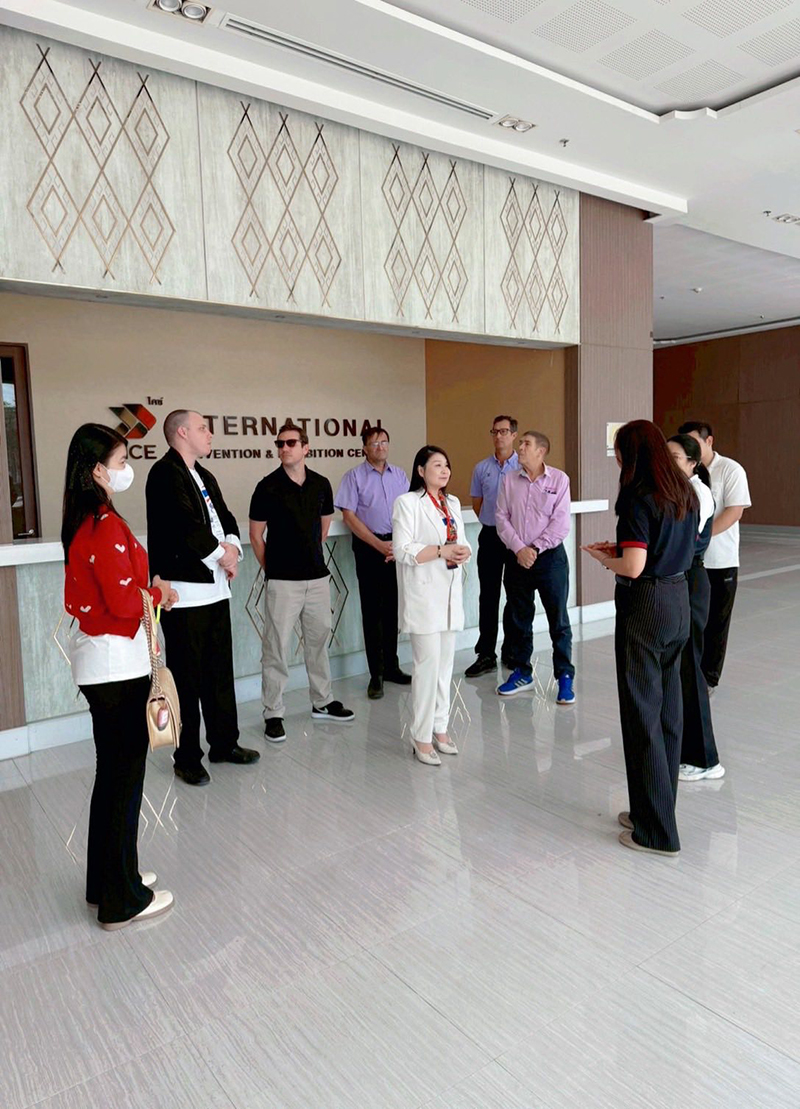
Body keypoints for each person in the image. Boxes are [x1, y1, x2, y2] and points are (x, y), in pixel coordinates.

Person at [62, 423, 175, 929]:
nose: (127, 470)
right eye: (121, 461)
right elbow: (124, 600)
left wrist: (147, 591)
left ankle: (107, 880)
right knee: (124, 779)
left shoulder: (86, 521)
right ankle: (122, 899)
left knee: (111, 777)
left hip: (103, 663)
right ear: (97, 471)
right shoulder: (103, 525)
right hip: (116, 667)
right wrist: (159, 593)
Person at [584, 420, 698, 856]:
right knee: (668, 713)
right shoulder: (683, 491)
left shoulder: (638, 496)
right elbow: (667, 549)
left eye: (618, 451)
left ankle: (655, 833)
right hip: (678, 599)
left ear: (630, 454)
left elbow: (634, 567)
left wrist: (603, 559)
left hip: (646, 606)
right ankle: (654, 811)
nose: (616, 458)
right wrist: (623, 553)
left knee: (642, 715)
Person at [146, 410, 260, 786]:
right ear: (181, 433)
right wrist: (221, 555)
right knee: (187, 680)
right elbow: (185, 527)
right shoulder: (165, 473)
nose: (209, 434)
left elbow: (224, 517)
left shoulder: (204, 474)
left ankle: (224, 743)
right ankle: (187, 757)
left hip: (215, 590)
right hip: (185, 593)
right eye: (202, 428)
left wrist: (234, 550)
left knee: (218, 672)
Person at [249, 422, 354, 742]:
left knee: (318, 642)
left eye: (290, 443)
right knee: (276, 648)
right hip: (283, 582)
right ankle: (273, 712)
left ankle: (322, 701)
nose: (284, 448)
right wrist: (274, 569)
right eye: (279, 443)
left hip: (317, 579)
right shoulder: (267, 486)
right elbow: (256, 536)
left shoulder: (321, 484)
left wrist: (308, 559)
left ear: (306, 448)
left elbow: (323, 529)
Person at [392, 446, 471, 765]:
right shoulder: (408, 503)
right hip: (424, 596)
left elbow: (462, 542)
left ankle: (440, 728)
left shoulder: (452, 503)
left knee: (444, 668)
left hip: (449, 595)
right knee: (426, 668)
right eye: (437, 465)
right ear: (421, 471)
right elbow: (402, 549)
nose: (444, 470)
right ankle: (421, 736)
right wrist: (441, 551)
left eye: (447, 465)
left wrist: (463, 551)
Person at [495, 430, 575, 704]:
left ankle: (564, 676)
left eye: (525, 444)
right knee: (519, 619)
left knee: (558, 620)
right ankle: (522, 672)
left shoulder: (559, 480)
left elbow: (560, 523)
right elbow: (501, 518)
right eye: (520, 443)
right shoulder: (508, 480)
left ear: (541, 451)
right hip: (517, 558)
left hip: (550, 559)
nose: (520, 447)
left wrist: (535, 548)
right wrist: (519, 549)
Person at [334, 426, 411, 700]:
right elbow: (349, 517)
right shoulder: (353, 477)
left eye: (384, 442)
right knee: (372, 612)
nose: (380, 447)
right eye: (374, 443)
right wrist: (378, 545)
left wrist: (399, 544)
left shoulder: (400, 475)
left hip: (397, 547)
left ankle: (392, 667)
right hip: (369, 548)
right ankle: (375, 674)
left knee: (392, 610)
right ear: (364, 448)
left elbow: (409, 511)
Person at [678, 421, 751, 692]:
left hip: (721, 561)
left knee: (716, 623)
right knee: (692, 622)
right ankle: (689, 675)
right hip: (691, 562)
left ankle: (709, 678)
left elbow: (734, 512)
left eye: (694, 442)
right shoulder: (685, 472)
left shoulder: (730, 469)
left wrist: (701, 538)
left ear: (709, 441)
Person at [668, 434, 724, 782]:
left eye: (675, 457)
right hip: (681, 580)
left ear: (692, 463)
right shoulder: (678, 490)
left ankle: (705, 759)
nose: (668, 462)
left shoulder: (697, 493)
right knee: (680, 669)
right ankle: (685, 749)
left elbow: (684, 542)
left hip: (690, 582)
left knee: (690, 670)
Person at [465, 414, 520, 678]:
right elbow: (477, 504)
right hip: (489, 536)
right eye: (495, 431)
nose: (498, 436)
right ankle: (486, 654)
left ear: (514, 435)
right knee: (488, 595)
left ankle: (511, 650)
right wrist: (493, 524)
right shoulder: (481, 468)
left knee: (515, 594)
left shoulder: (523, 466)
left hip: (516, 539)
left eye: (504, 431)